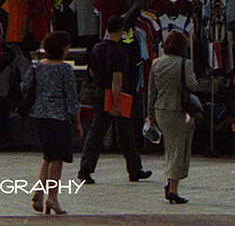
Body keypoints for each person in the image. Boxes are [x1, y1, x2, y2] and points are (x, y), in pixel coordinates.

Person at [77, 17, 148, 185]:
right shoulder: (119, 52)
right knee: (125, 132)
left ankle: (85, 168)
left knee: (97, 131)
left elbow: (93, 71)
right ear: (121, 30)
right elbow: (117, 79)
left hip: (100, 92)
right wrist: (116, 103)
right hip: (116, 94)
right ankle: (134, 169)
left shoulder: (97, 47)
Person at [20, 30, 81, 215]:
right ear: (62, 48)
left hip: (40, 114)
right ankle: (52, 198)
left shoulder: (37, 66)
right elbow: (72, 97)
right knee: (57, 159)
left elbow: (24, 86)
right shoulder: (65, 69)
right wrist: (77, 123)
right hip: (58, 116)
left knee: (47, 155)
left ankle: (39, 190)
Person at [147, 29, 197, 206]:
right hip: (178, 110)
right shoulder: (185, 64)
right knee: (178, 149)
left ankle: (170, 183)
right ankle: (173, 189)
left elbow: (151, 92)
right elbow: (192, 85)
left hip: (160, 109)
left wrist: (150, 115)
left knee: (170, 147)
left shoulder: (156, 63)